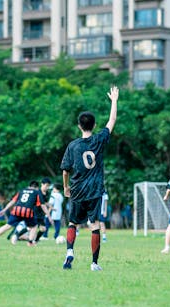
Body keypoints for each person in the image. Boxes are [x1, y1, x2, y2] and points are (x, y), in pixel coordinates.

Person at [60, 86, 119, 271]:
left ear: (79, 125)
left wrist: (66, 187)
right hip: (94, 190)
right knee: (94, 225)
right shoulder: (99, 139)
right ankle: (94, 263)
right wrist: (114, 101)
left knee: (72, 223)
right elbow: (112, 121)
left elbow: (65, 170)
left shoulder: (73, 145)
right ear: (93, 126)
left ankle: (69, 251)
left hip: (77, 189)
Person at [0, 180, 52, 246]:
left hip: (16, 210)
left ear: (29, 186)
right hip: (27, 211)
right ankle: (30, 242)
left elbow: (13, 201)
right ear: (37, 187)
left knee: (8, 225)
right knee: (34, 226)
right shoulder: (36, 192)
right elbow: (42, 205)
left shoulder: (21, 191)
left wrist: (4, 210)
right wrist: (49, 216)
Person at [34, 177, 52, 243]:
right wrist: (49, 216)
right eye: (46, 185)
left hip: (41, 214)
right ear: (42, 184)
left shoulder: (46, 193)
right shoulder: (38, 192)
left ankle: (35, 240)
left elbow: (45, 202)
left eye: (48, 186)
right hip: (35, 212)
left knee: (43, 229)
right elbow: (42, 205)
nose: (47, 187)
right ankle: (17, 235)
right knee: (33, 228)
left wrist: (50, 206)